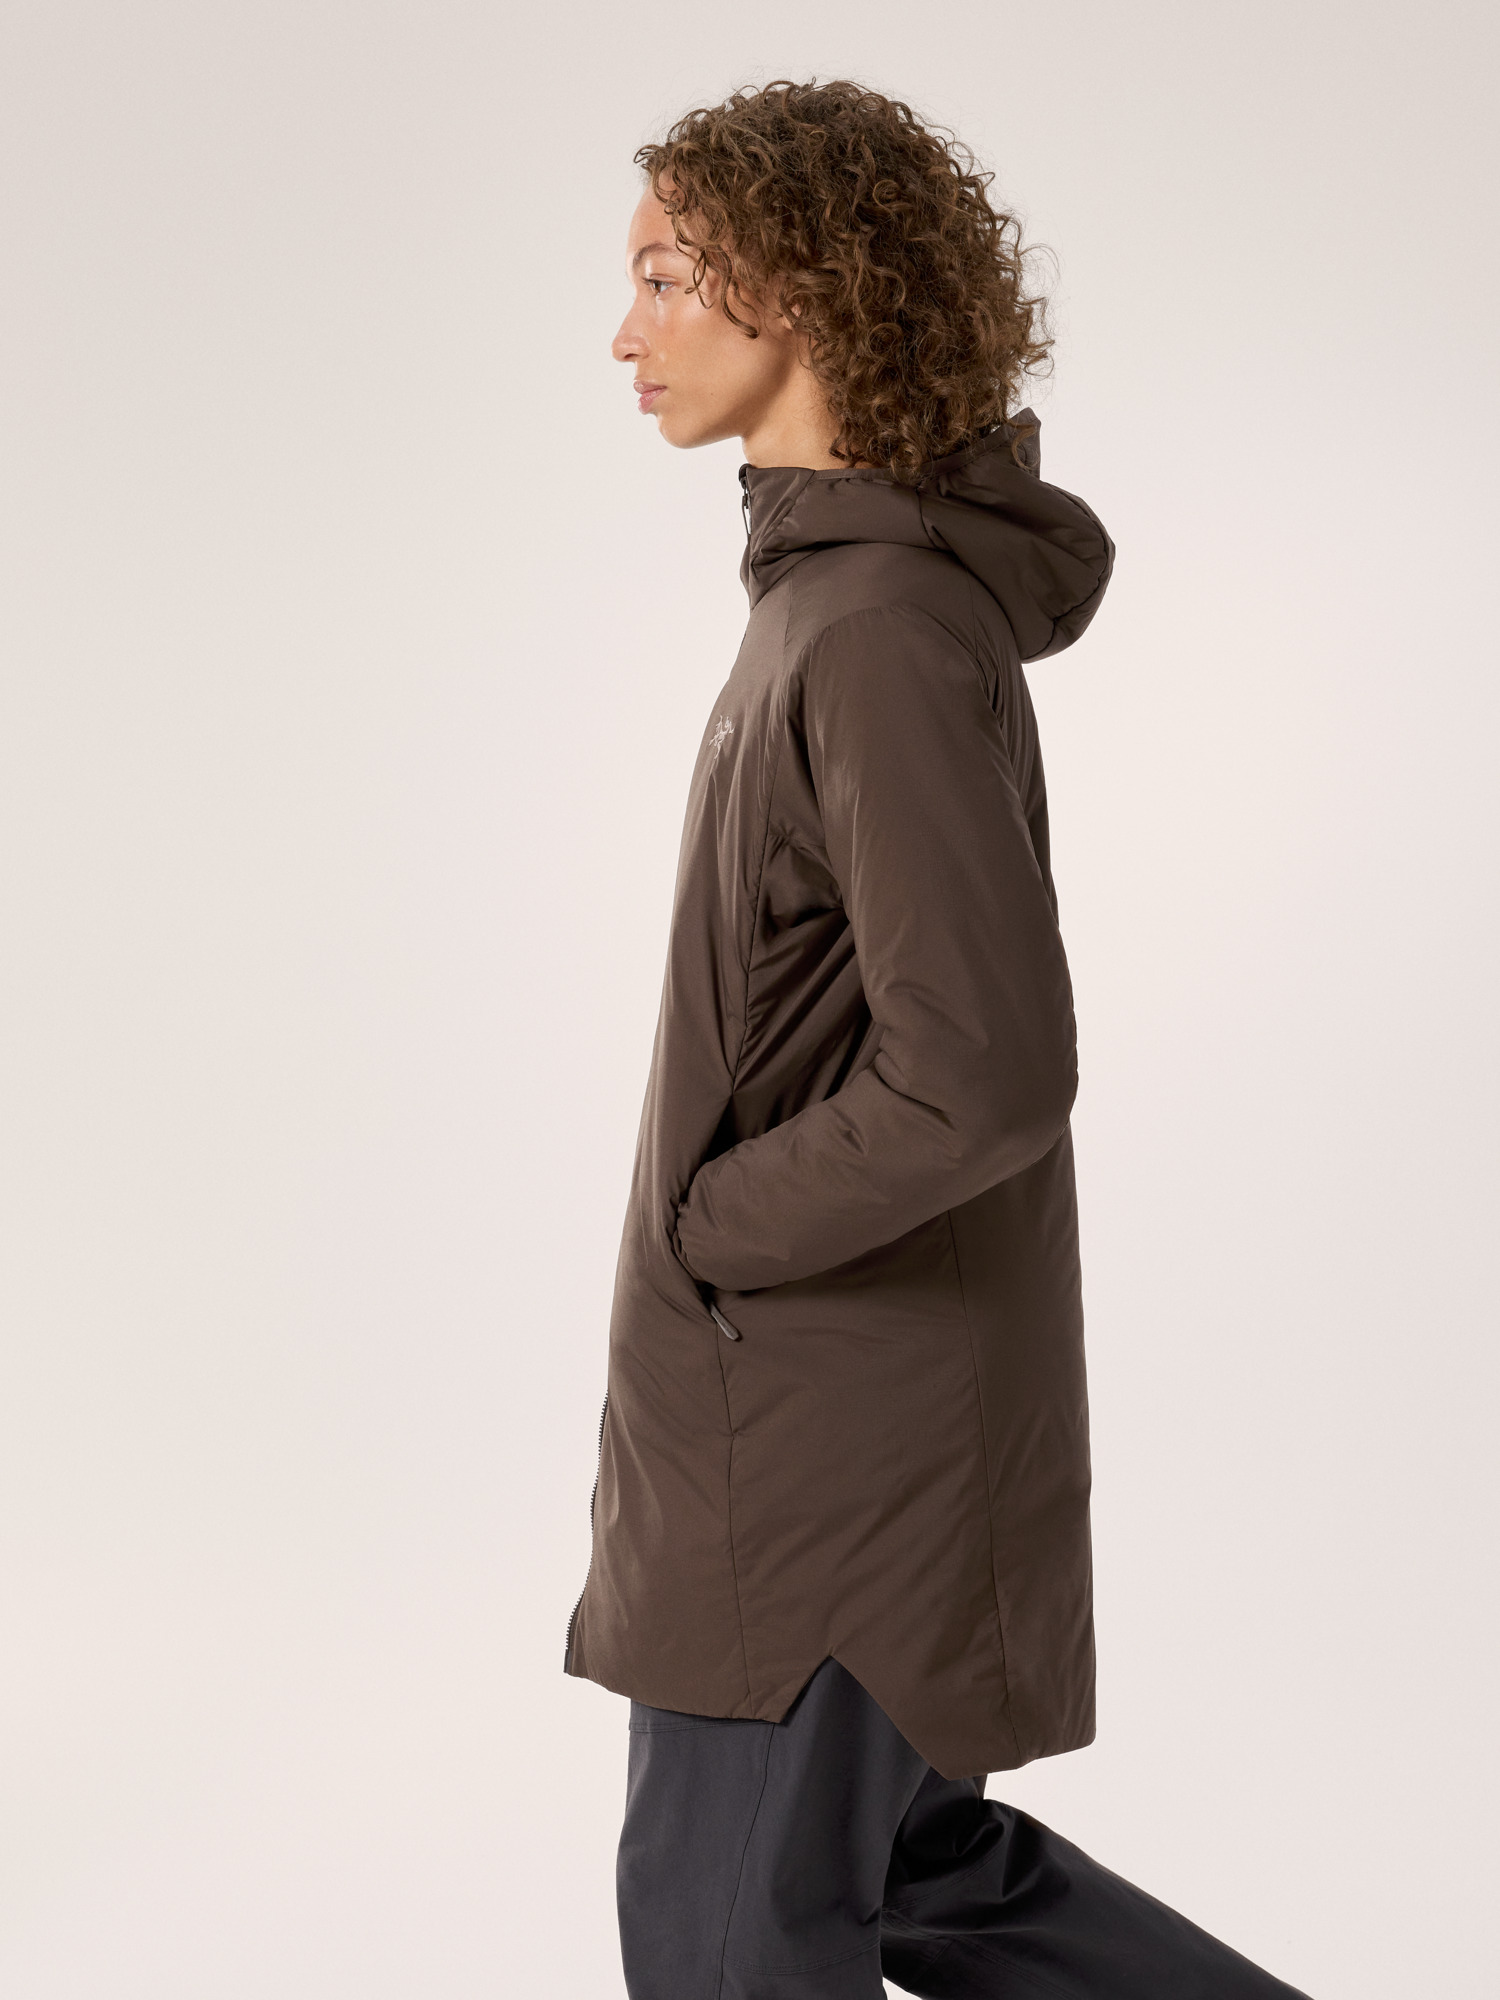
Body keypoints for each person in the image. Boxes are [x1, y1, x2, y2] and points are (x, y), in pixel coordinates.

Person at [565, 78, 1312, 2000]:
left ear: (804, 288)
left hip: (819, 1464)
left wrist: (716, 1228)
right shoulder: (841, 602)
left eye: (666, 276)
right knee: (921, 1881)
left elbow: (978, 1070)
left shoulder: (872, 626)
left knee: (732, 1948)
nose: (625, 330)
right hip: (838, 1435)